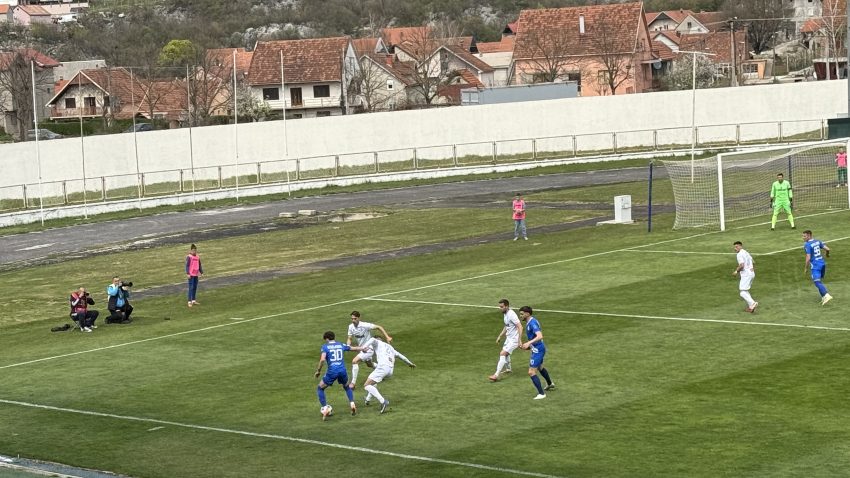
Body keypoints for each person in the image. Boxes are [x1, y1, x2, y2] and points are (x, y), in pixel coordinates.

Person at [361, 337, 415, 414]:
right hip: (390, 371)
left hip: (383, 367)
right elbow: (401, 356)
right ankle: (368, 399)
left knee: (366, 385)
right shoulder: (391, 348)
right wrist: (410, 363)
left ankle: (383, 401)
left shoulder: (378, 342)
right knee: (373, 382)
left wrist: (363, 347)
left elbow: (372, 339)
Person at [314, 331, 358, 420]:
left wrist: (318, 371)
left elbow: (322, 360)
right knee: (347, 387)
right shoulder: (340, 344)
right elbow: (351, 348)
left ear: (326, 338)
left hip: (332, 371)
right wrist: (363, 348)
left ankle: (325, 408)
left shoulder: (325, 347)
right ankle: (352, 403)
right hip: (342, 370)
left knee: (320, 388)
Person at [346, 311, 392, 389]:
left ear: (359, 318)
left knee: (354, 361)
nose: (353, 320)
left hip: (369, 349)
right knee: (369, 364)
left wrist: (387, 337)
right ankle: (383, 371)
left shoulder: (364, 325)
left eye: (355, 319)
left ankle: (353, 384)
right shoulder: (351, 327)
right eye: (352, 319)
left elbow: (379, 327)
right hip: (361, 349)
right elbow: (349, 338)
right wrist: (348, 345)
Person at [518, 306, 554, 400]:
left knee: (531, 372)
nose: (520, 316)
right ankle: (550, 384)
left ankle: (541, 394)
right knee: (540, 367)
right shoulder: (530, 322)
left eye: (522, 314)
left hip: (538, 350)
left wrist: (528, 343)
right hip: (537, 348)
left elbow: (540, 336)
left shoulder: (532, 323)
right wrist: (528, 346)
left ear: (527, 314)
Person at [489, 299, 521, 381]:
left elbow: (520, 326)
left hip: (514, 339)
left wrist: (519, 340)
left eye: (502, 307)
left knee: (502, 353)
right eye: (499, 307)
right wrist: (500, 336)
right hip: (509, 338)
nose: (500, 308)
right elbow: (507, 326)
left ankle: (496, 375)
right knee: (506, 354)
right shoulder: (505, 313)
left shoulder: (512, 314)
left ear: (507, 306)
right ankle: (508, 369)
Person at [802, 230, 832, 305]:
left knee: (817, 282)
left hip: (816, 266)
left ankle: (826, 295)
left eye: (804, 236)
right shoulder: (818, 241)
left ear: (809, 236)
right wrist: (827, 254)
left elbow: (808, 257)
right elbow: (828, 249)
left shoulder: (807, 244)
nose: (803, 237)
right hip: (822, 264)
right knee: (818, 281)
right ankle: (823, 297)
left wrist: (806, 268)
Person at [732, 241, 758, 313]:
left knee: (742, 292)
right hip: (751, 273)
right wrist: (752, 269)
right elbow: (753, 262)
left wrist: (736, 271)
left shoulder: (739, 254)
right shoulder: (746, 252)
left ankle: (753, 303)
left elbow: (742, 265)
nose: (735, 248)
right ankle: (751, 307)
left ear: (741, 246)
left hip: (746, 274)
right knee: (745, 290)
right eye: (734, 247)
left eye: (736, 247)